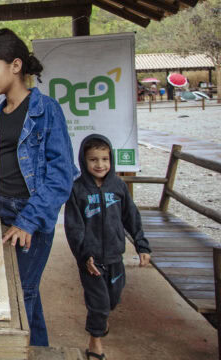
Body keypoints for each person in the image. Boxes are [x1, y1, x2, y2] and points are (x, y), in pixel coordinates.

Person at [0, 28, 77, 346]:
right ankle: (39, 351)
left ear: (16, 66)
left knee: (20, 295)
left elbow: (61, 175)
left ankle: (17, 351)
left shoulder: (46, 110)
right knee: (21, 294)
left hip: (27, 215)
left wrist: (29, 220)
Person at [64, 135, 151, 360]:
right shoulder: (77, 189)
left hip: (115, 258)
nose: (100, 164)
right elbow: (74, 228)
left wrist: (142, 245)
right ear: (84, 161)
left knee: (112, 299)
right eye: (93, 159)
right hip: (91, 261)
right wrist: (84, 257)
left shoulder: (118, 186)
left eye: (104, 159)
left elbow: (132, 217)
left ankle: (101, 321)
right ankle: (95, 344)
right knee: (99, 304)